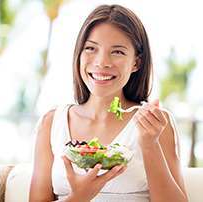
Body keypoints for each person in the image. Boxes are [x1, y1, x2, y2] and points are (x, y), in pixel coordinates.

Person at [29, 4, 188, 202]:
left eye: (118, 52)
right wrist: (78, 197)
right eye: (91, 49)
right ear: (79, 55)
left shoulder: (155, 123)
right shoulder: (51, 122)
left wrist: (149, 145)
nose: (102, 62)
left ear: (136, 63)